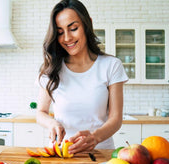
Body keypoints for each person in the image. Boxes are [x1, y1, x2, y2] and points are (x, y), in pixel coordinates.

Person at [36, 0, 128, 154]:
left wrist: (95, 138)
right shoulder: (51, 69)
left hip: (101, 153)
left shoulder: (111, 65)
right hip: (62, 152)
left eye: (73, 28)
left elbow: (115, 119)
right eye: (60, 32)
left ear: (87, 24)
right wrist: (52, 123)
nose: (67, 38)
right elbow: (41, 112)